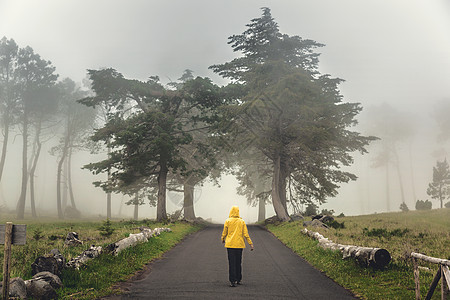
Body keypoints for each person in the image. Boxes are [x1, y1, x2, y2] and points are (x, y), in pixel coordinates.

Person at [221, 205, 254, 287]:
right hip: (239, 245)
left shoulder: (228, 221)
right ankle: (238, 279)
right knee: (238, 262)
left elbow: (224, 232)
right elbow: (246, 234)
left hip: (230, 245)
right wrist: (250, 243)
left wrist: (222, 239)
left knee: (231, 263)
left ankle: (232, 280)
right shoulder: (241, 221)